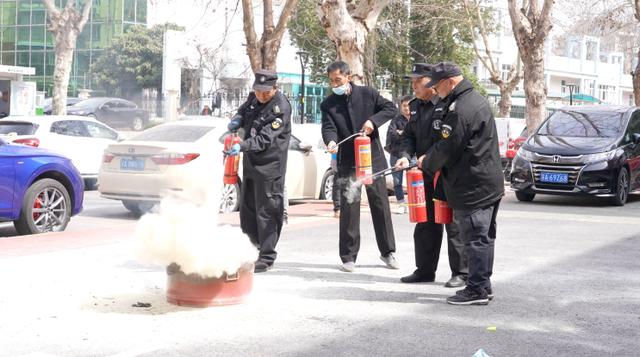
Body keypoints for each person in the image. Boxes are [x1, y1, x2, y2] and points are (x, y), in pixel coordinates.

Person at [399, 62, 504, 305]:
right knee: (484, 237)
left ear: (450, 81)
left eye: (437, 84)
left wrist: (427, 161)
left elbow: (449, 145)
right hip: (485, 180)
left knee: (475, 236)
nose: (436, 89)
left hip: (473, 183)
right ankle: (482, 285)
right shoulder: (470, 99)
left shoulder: (461, 108)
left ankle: (475, 289)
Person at [395, 63, 469, 288]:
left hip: (445, 173)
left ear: (431, 82)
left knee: (452, 222)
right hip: (423, 173)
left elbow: (449, 140)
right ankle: (425, 269)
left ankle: (461, 272)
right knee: (425, 221)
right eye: (412, 82)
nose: (414, 86)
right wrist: (405, 155)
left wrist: (431, 158)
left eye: (418, 81)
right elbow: (408, 136)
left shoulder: (446, 105)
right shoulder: (416, 107)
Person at [320, 60, 398, 273]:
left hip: (373, 160)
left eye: (338, 79)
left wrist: (373, 121)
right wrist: (330, 141)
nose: (335, 84)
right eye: (331, 81)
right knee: (349, 208)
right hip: (348, 162)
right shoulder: (328, 104)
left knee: (380, 205)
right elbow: (328, 127)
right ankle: (348, 256)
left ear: (348, 77)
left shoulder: (368, 94)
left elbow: (391, 108)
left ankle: (388, 251)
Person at [227, 69, 292, 273]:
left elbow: (264, 138)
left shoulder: (279, 108)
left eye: (265, 92)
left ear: (275, 88)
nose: (261, 95)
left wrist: (242, 146)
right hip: (251, 164)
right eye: (257, 91)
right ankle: (250, 249)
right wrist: (237, 119)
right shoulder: (254, 98)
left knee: (268, 211)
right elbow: (244, 110)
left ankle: (266, 256)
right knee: (248, 209)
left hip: (270, 166)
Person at [386, 95, 412, 214]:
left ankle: (413, 203)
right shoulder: (396, 120)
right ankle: (401, 204)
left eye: (409, 105)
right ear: (401, 107)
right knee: (397, 181)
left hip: (412, 154)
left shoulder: (417, 119)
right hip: (396, 154)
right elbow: (392, 135)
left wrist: (402, 133)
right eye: (404, 106)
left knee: (414, 180)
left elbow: (417, 136)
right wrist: (404, 135)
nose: (407, 108)